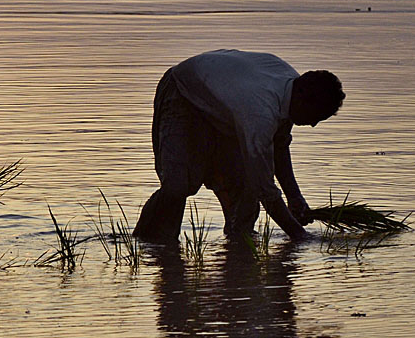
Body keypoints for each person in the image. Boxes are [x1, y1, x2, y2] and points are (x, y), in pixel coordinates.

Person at [133, 49, 344, 244]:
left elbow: (278, 147)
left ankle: (237, 252)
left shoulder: (291, 89)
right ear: (303, 100)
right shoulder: (260, 111)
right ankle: (148, 245)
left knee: (243, 194)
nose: (314, 124)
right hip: (183, 90)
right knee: (178, 186)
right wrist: (298, 235)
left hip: (222, 103)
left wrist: (294, 197)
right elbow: (264, 187)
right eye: (317, 116)